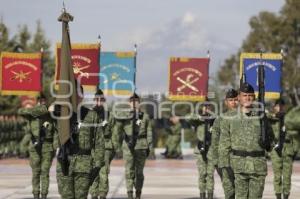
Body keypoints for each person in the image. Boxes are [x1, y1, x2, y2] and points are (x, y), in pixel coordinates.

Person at [219, 82, 274, 199]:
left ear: (254, 97)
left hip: (258, 167)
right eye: (245, 95)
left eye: (250, 95)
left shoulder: (262, 116)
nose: (248, 98)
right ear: (239, 97)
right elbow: (224, 145)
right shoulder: (229, 117)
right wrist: (225, 167)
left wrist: (268, 144)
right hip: (238, 167)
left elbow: (271, 138)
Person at [19, 94, 56, 199]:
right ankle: (36, 194)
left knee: (45, 172)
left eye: (44, 100)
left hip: (47, 146)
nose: (42, 102)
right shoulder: (32, 114)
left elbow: (56, 130)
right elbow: (20, 111)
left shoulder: (51, 114)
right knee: (36, 172)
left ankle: (44, 195)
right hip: (35, 146)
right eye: (40, 100)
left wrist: (55, 146)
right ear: (37, 101)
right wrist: (35, 111)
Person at [119, 93, 153, 199]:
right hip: (128, 146)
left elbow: (149, 132)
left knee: (139, 172)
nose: (134, 103)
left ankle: (138, 193)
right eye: (132, 101)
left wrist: (149, 147)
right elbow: (118, 130)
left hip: (141, 145)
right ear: (129, 103)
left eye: (136, 101)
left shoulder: (145, 116)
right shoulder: (124, 115)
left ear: (139, 103)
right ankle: (129, 194)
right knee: (129, 171)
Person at [211, 88, 238, 199]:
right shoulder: (220, 119)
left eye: (235, 99)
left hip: (241, 160)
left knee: (243, 192)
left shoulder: (245, 117)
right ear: (226, 102)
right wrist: (215, 160)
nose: (233, 102)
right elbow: (215, 140)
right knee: (229, 192)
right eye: (230, 100)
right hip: (225, 160)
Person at [268, 99, 298, 199]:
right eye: (277, 106)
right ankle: (278, 196)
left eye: (281, 105)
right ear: (274, 108)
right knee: (277, 177)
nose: (280, 107)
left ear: (284, 107)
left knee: (287, 176)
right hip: (276, 151)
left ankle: (286, 196)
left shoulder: (289, 120)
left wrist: (295, 150)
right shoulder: (271, 120)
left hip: (288, 150)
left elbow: (295, 136)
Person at [195, 102, 216, 199]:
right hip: (200, 150)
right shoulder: (198, 119)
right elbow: (188, 118)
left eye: (208, 107)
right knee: (202, 174)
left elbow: (218, 118)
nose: (206, 108)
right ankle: (202, 195)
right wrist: (201, 116)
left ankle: (210, 195)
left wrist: (211, 115)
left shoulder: (214, 119)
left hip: (211, 150)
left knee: (210, 175)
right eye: (205, 107)